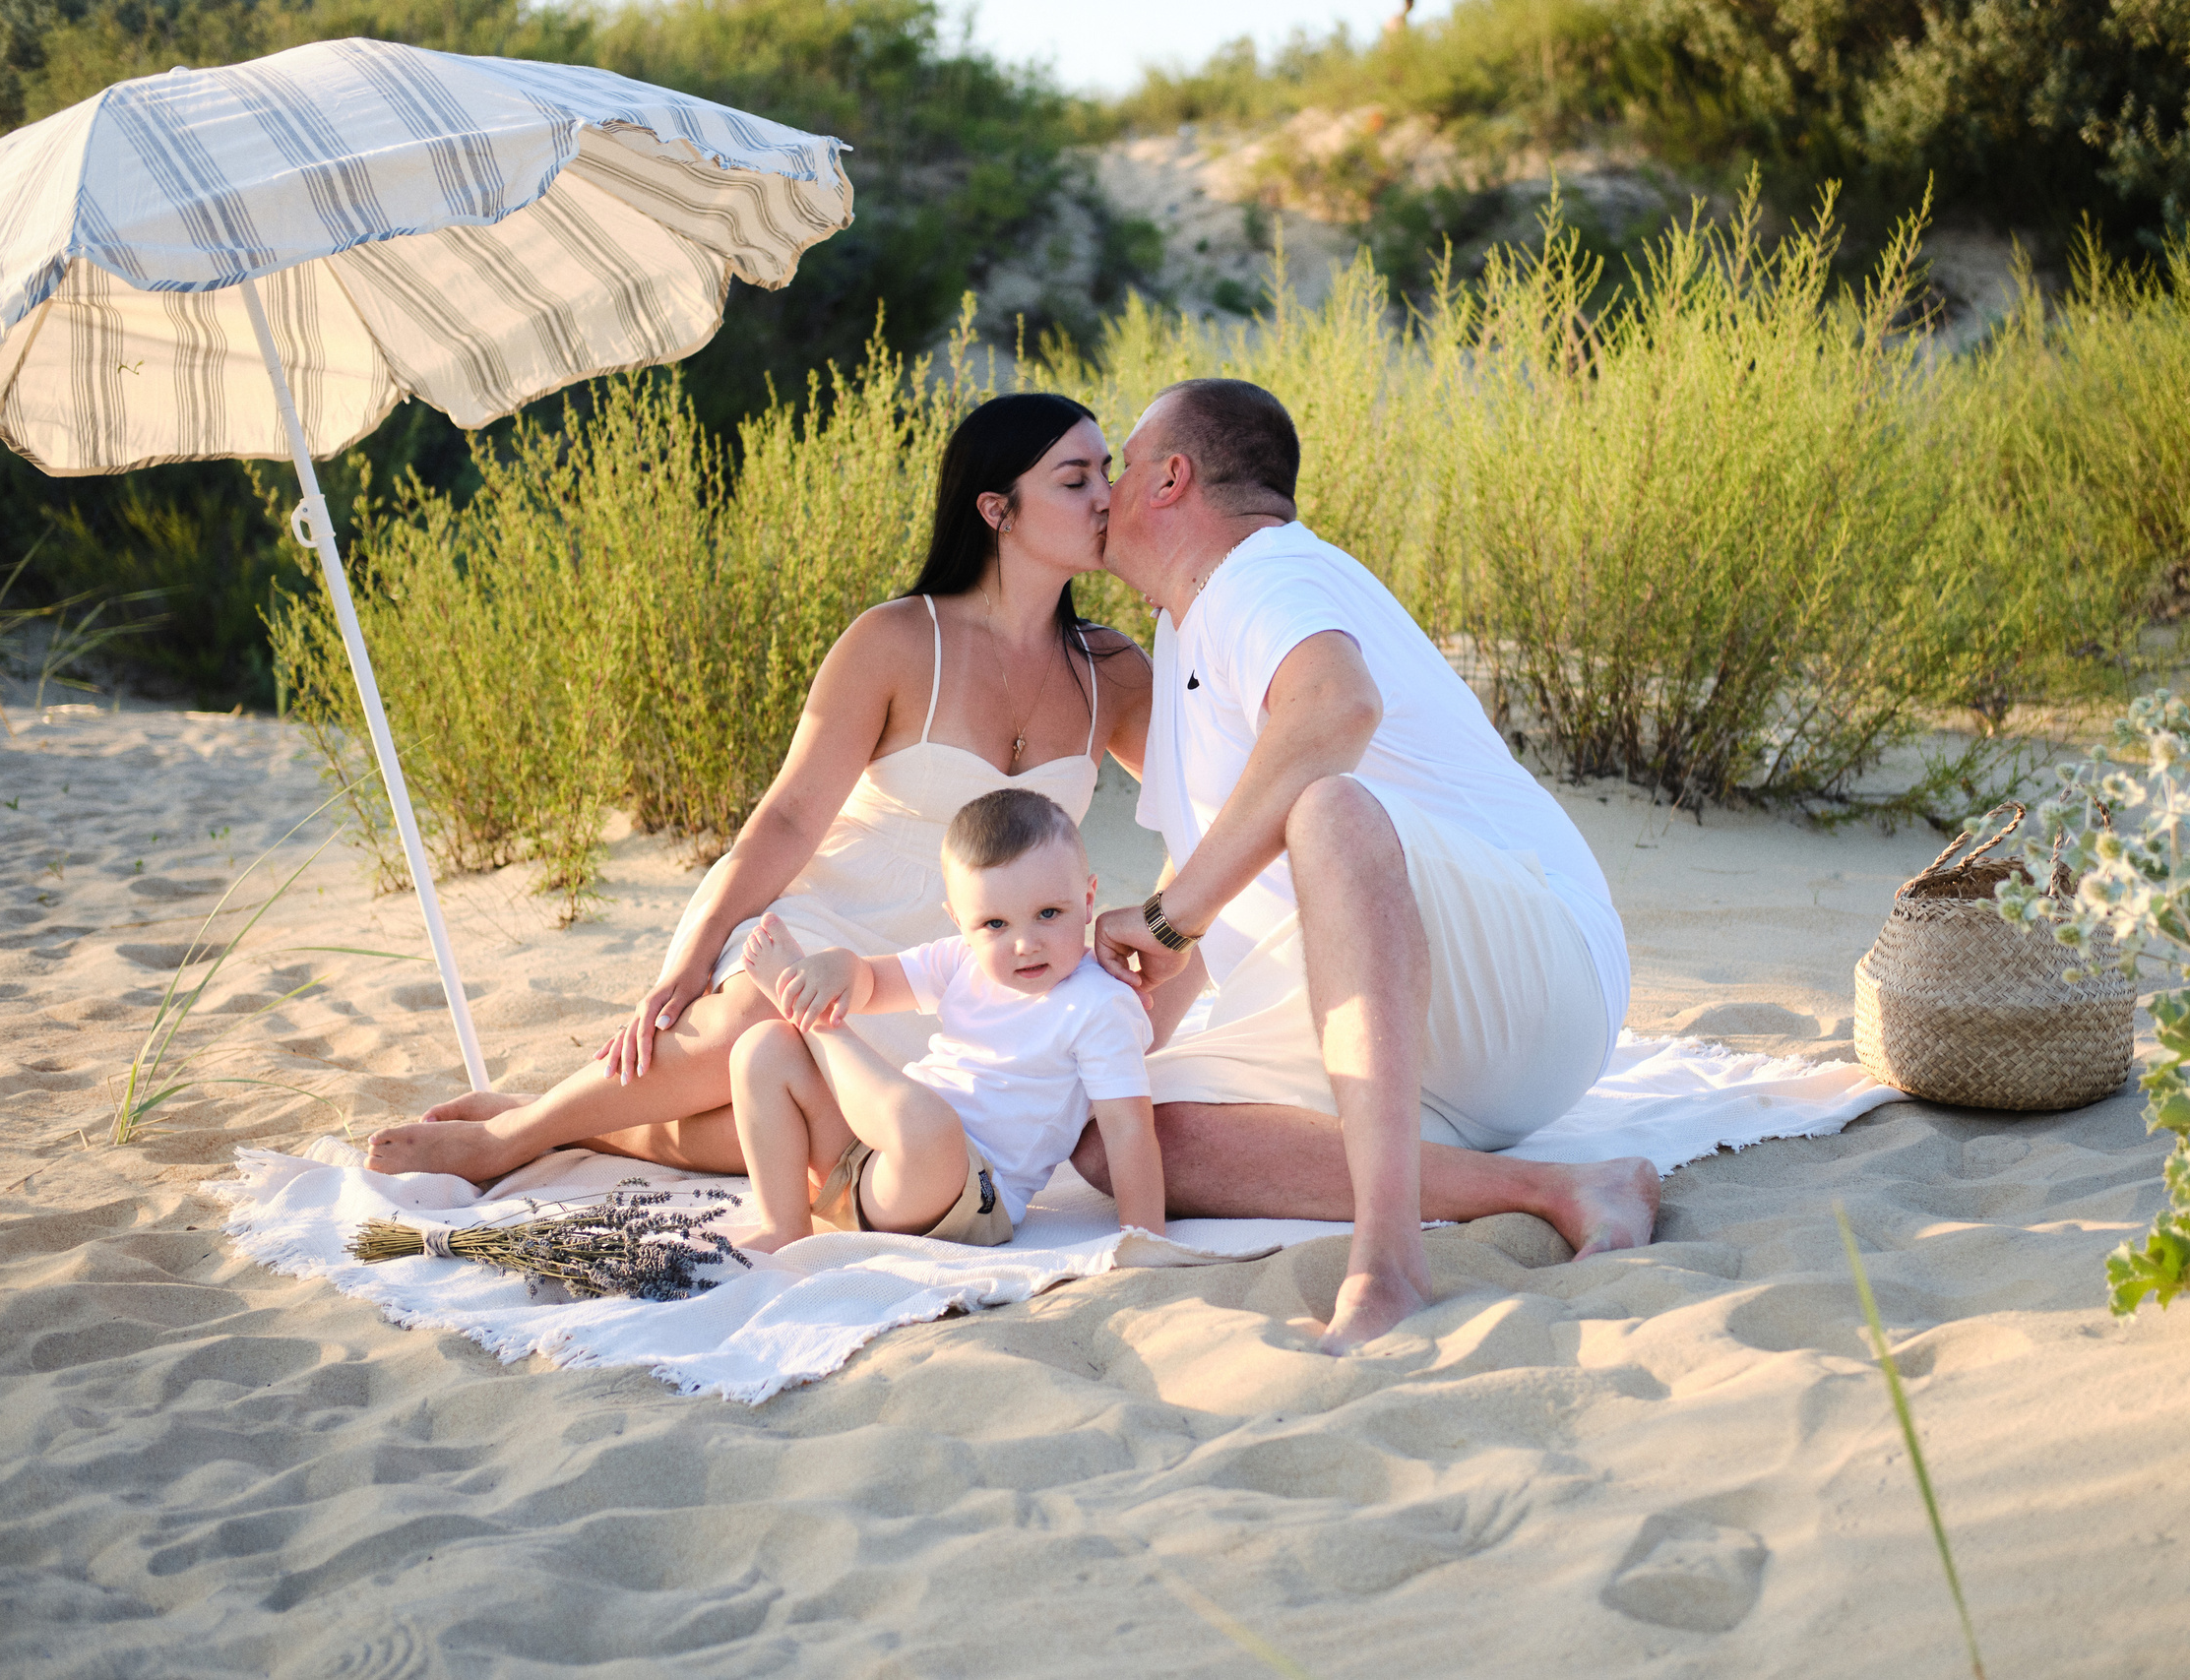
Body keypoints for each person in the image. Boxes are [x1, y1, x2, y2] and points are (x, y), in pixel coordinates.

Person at [362, 393, 1153, 1183]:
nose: (1107, 497)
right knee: (756, 1016)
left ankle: (570, 1122)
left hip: (960, 970)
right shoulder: (898, 639)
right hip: (828, 918)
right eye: (1075, 479)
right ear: (996, 509)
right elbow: (789, 818)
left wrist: (1158, 929)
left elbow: (1204, 809)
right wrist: (694, 955)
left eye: (1106, 473)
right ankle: (513, 1138)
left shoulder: (1111, 671)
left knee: (792, 1136)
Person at [1078, 378, 1659, 1354]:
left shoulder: (1260, 571)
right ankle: (1561, 1188)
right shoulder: (1185, 631)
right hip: (1411, 1044)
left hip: (1533, 973)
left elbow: (1338, 708)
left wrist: (1175, 914)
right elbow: (1220, 880)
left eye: (1119, 466)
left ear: (1171, 478)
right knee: (1117, 1132)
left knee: (1332, 807)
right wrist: (1106, 1041)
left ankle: (1388, 1264)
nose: (1105, 490)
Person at [727, 788, 1162, 1250]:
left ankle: (813, 1022)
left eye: (1048, 914)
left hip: (966, 1189)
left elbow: (1128, 1129)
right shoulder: (962, 960)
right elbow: (875, 983)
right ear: (958, 920)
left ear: (1089, 899)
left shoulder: (1101, 1004)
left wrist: (1146, 1237)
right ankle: (783, 1223)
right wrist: (845, 967)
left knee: (928, 1124)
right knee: (762, 1045)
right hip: (871, 1162)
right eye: (995, 924)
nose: (1025, 944)